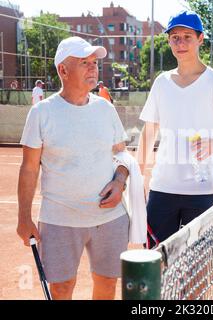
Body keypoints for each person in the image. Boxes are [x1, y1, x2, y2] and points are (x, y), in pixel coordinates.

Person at [17, 36, 146, 300]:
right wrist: (24, 217)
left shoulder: (105, 108)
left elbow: (122, 155)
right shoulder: (41, 113)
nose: (92, 68)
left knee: (108, 284)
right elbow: (29, 169)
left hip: (109, 219)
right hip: (59, 220)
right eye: (84, 62)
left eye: (94, 63)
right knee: (62, 289)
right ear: (63, 70)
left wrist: (120, 181)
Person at [137, 11, 213, 248]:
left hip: (202, 192)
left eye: (187, 36)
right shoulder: (161, 83)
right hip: (161, 189)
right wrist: (137, 178)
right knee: (156, 264)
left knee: (196, 267)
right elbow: (148, 134)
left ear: (200, 39)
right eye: (175, 37)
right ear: (168, 41)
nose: (181, 42)